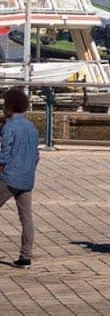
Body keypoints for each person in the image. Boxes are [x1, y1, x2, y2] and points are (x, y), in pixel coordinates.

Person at [1, 87, 39, 268]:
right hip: (27, 178)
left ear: (9, 106)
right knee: (26, 217)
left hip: (9, 178)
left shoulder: (9, 127)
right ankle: (25, 257)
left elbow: (4, 156)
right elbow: (36, 155)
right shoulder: (31, 127)